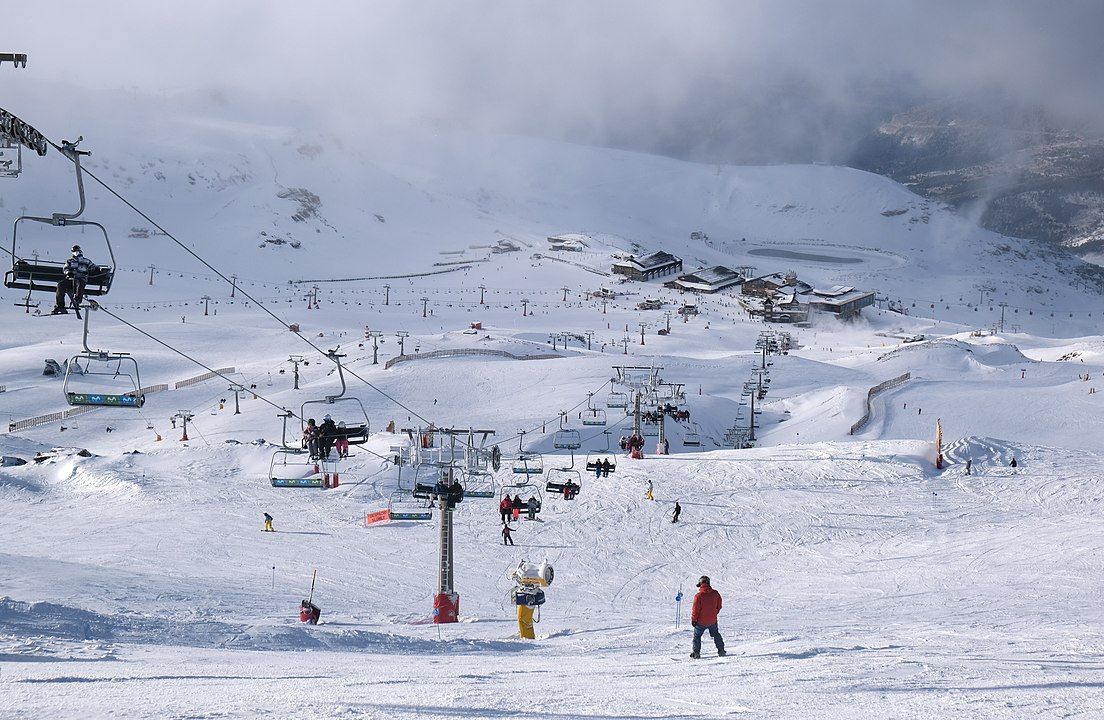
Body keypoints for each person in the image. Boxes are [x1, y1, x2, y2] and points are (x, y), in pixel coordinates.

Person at [51, 245, 96, 314]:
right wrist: (68, 272)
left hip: (80, 279)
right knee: (60, 285)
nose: (76, 253)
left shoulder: (86, 261)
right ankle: (60, 306)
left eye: (77, 251)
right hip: (70, 280)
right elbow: (65, 268)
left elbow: (93, 267)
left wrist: (90, 271)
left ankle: (76, 301)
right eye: (74, 251)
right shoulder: (70, 261)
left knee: (80, 283)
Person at [690, 576, 725, 659]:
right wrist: (714, 613)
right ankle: (721, 651)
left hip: (700, 622)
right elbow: (719, 605)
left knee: (697, 636)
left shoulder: (698, 596)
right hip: (712, 620)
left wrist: (694, 620)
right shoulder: (715, 593)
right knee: (716, 634)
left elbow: (695, 610)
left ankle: (696, 653)